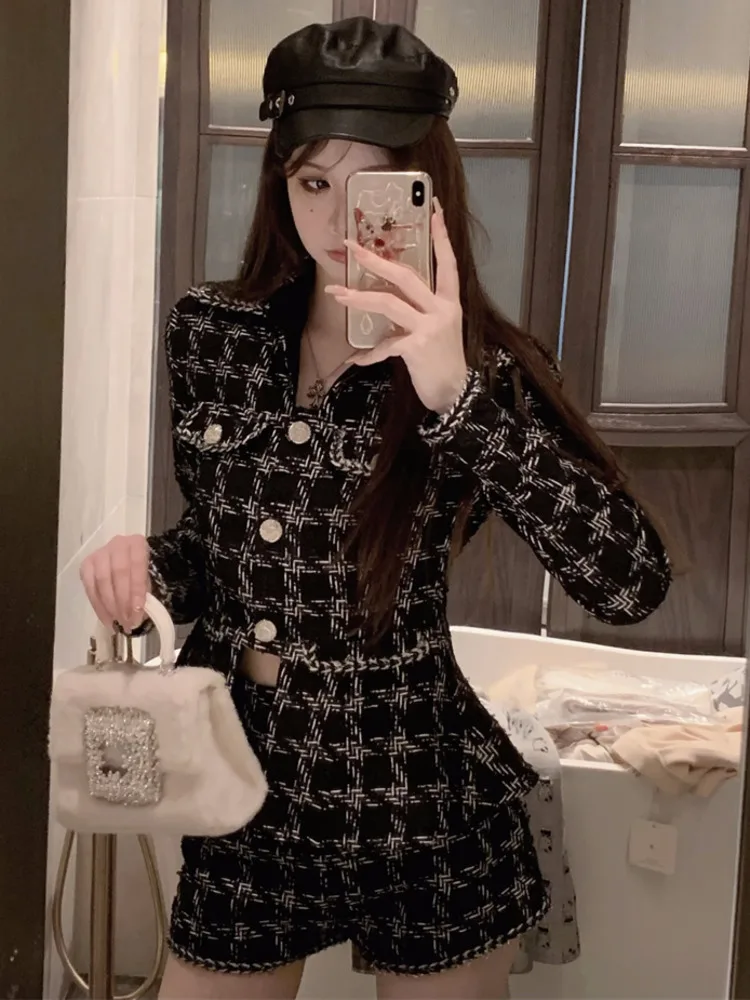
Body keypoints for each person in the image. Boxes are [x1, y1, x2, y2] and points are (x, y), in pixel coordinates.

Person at [80, 16, 672, 1000]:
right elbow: (220, 551)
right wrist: (148, 566)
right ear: (280, 183)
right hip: (245, 792)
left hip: (426, 801)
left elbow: (631, 581)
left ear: (426, 191)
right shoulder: (214, 334)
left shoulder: (481, 367)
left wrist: (456, 399)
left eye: (372, 188)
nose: (339, 222)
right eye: (313, 183)